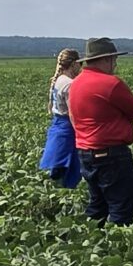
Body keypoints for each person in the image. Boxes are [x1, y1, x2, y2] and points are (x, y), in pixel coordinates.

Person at [67, 36, 133, 224]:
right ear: (105, 59)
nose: (115, 64)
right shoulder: (111, 84)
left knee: (97, 206)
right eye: (114, 59)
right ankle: (117, 246)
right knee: (121, 206)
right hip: (112, 155)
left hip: (85, 153)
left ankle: (90, 245)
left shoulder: (76, 84)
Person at [37, 48, 83, 188]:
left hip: (58, 125)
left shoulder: (59, 80)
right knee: (71, 167)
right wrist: (81, 133)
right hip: (68, 129)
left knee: (59, 167)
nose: (80, 68)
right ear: (74, 64)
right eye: (79, 64)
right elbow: (72, 113)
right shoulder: (70, 84)